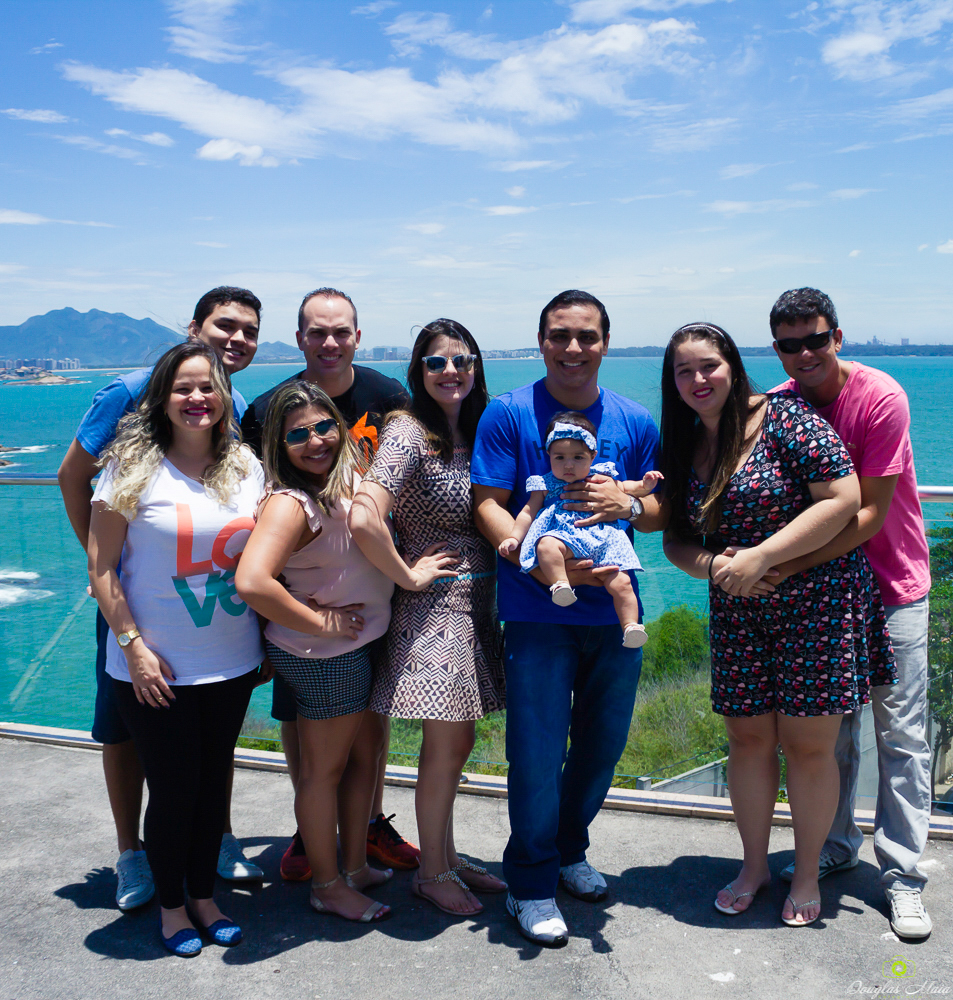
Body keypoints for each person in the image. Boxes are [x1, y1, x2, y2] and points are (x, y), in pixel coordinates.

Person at [659, 321, 896, 928]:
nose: (697, 379)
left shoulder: (786, 420)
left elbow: (842, 499)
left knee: (808, 747)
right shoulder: (686, 440)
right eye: (684, 371)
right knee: (747, 740)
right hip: (738, 609)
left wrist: (765, 557)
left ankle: (811, 871)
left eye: (708, 365)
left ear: (733, 366)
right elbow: (679, 541)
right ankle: (754, 864)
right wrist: (717, 566)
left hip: (816, 602)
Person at [57, 286, 264, 911]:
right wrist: (110, 563)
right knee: (124, 729)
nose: (236, 340)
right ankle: (133, 854)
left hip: (215, 626)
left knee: (208, 743)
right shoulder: (128, 390)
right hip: (133, 608)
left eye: (249, 331)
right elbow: (73, 474)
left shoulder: (237, 406)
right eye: (224, 325)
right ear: (194, 327)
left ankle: (212, 843)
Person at [471, 290, 664, 946]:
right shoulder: (508, 414)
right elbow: (489, 502)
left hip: (614, 613)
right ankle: (528, 881)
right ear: (541, 340)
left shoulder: (635, 421)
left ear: (604, 343)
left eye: (586, 336)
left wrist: (631, 505)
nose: (573, 348)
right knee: (535, 749)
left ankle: (568, 849)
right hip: (537, 609)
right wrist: (527, 558)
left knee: (602, 746)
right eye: (560, 335)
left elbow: (663, 506)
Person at [764, 288, 933, 939]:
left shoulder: (879, 397)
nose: (803, 353)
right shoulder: (778, 407)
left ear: (838, 335)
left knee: (900, 736)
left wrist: (779, 566)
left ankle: (902, 875)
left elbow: (869, 515)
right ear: (775, 347)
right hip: (820, 601)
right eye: (788, 344)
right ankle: (835, 844)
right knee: (825, 738)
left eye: (814, 338)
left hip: (891, 587)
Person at [240, 287, 417, 881]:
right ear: (299, 339)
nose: (330, 342)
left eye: (341, 331)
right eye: (317, 332)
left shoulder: (389, 397)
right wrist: (294, 617)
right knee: (314, 744)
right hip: (316, 629)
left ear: (358, 336)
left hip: (367, 610)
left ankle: (363, 833)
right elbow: (254, 522)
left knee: (367, 738)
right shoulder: (267, 409)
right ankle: (318, 850)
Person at [349, 318, 506, 917]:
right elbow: (366, 516)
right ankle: (432, 871)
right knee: (445, 745)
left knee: (457, 743)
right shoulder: (408, 432)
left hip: (479, 603)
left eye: (461, 360)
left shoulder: (474, 429)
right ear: (419, 371)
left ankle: (446, 853)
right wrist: (406, 573)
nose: (451, 371)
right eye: (437, 362)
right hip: (435, 608)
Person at [236, 382, 394, 923]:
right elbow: (253, 581)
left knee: (362, 762)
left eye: (324, 426)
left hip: (360, 644)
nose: (316, 440)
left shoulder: (342, 481)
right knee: (324, 773)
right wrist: (321, 622)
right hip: (325, 655)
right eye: (298, 434)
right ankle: (326, 884)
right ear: (279, 445)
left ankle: (353, 866)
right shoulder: (290, 502)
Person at [499, 410, 660, 648]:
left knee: (622, 583)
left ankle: (631, 626)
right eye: (560, 458)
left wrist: (645, 485)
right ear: (548, 456)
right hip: (567, 539)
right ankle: (560, 584)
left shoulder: (604, 477)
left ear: (593, 456)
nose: (569, 465)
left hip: (604, 541)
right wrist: (514, 537)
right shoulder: (545, 483)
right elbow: (528, 512)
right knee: (546, 545)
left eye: (578, 457)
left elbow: (628, 487)